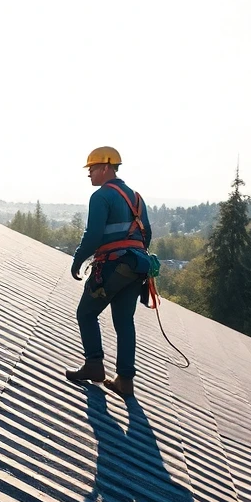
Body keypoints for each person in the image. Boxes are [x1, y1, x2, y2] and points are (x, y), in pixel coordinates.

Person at [65, 146, 153, 399]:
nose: (89, 174)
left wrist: (78, 260)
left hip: (113, 264)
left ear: (105, 167)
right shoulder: (136, 197)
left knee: (86, 313)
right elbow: (146, 234)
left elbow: (93, 235)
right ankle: (125, 381)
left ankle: (94, 365)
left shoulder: (102, 196)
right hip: (136, 267)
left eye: (91, 169)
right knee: (125, 323)